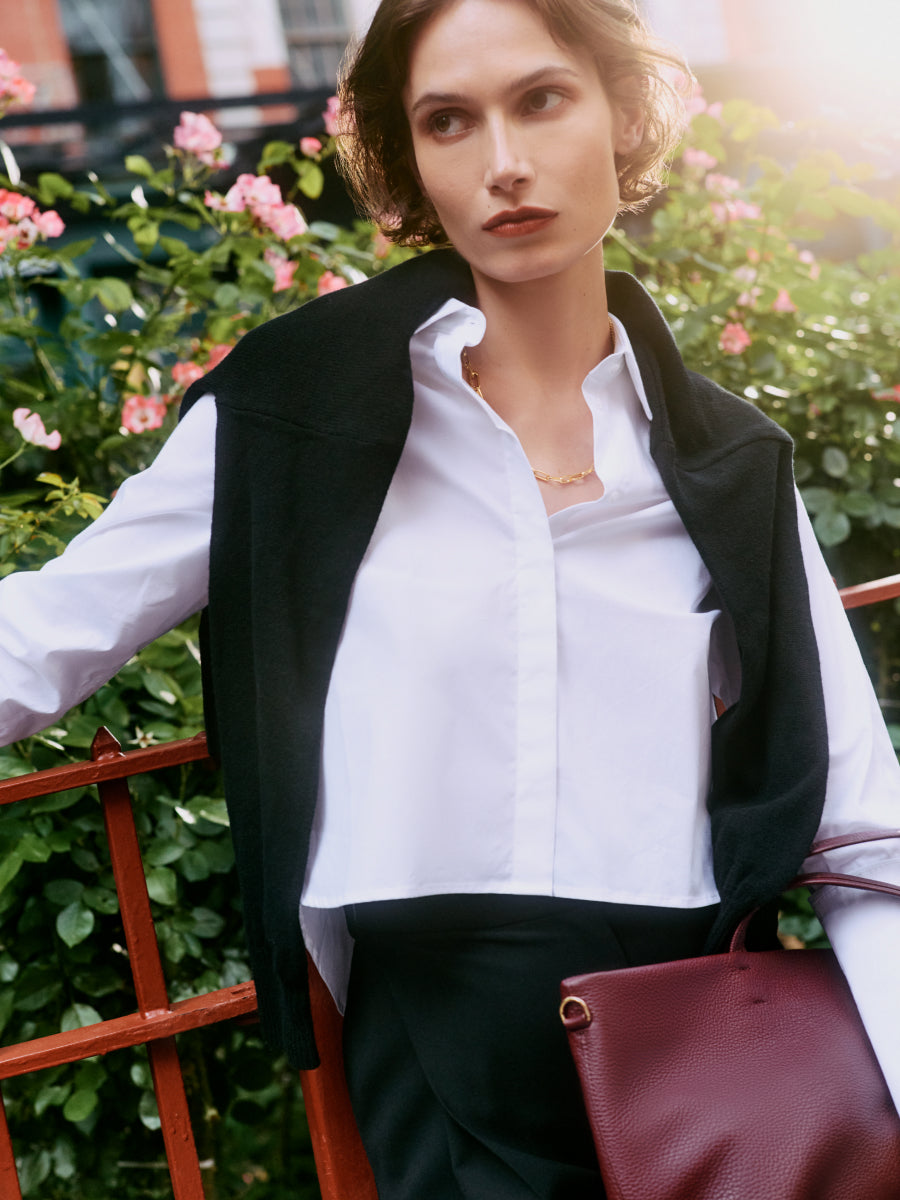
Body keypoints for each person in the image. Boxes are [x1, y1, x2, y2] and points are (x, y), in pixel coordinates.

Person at [2, 0, 900, 1195]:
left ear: (623, 116)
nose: (504, 163)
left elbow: (856, 814)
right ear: (413, 159)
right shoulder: (288, 416)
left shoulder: (727, 461)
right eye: (448, 122)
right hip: (436, 1036)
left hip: (697, 1033)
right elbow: (52, 630)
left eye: (541, 99)